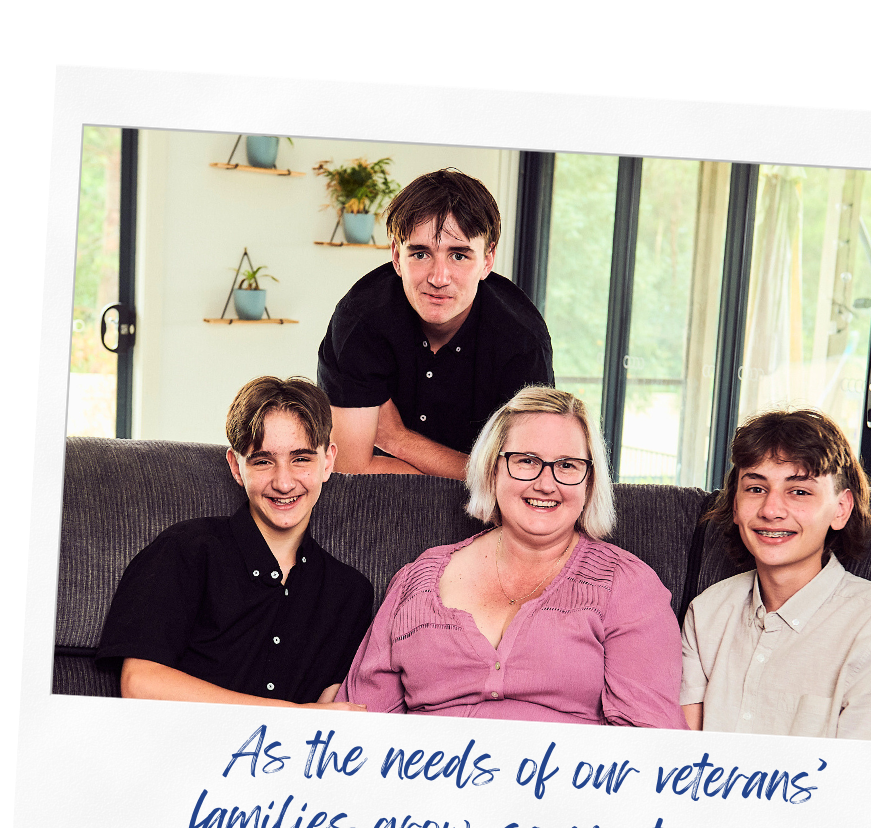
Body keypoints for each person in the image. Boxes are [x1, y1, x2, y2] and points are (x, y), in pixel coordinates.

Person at [341, 387, 687, 728]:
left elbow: (650, 746)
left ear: (589, 481)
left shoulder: (627, 585)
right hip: (423, 778)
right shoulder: (417, 580)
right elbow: (358, 722)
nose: (546, 484)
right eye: (526, 461)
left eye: (567, 465)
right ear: (492, 470)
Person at [97, 376, 374, 711]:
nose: (284, 482)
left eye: (301, 459)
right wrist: (295, 715)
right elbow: (139, 682)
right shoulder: (185, 551)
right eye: (262, 461)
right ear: (237, 467)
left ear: (327, 462)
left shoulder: (349, 592)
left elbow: (331, 706)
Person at [680, 409, 871, 742]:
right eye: (756, 488)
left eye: (799, 492)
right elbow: (681, 757)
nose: (771, 510)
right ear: (735, 507)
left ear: (841, 509)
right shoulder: (707, 612)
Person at [317, 168, 554, 480]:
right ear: (396, 256)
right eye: (420, 254)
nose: (438, 278)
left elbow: (524, 479)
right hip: (374, 507)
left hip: (485, 519)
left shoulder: (522, 342)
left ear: (488, 260)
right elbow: (351, 472)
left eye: (458, 256)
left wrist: (399, 440)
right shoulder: (360, 321)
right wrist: (480, 477)